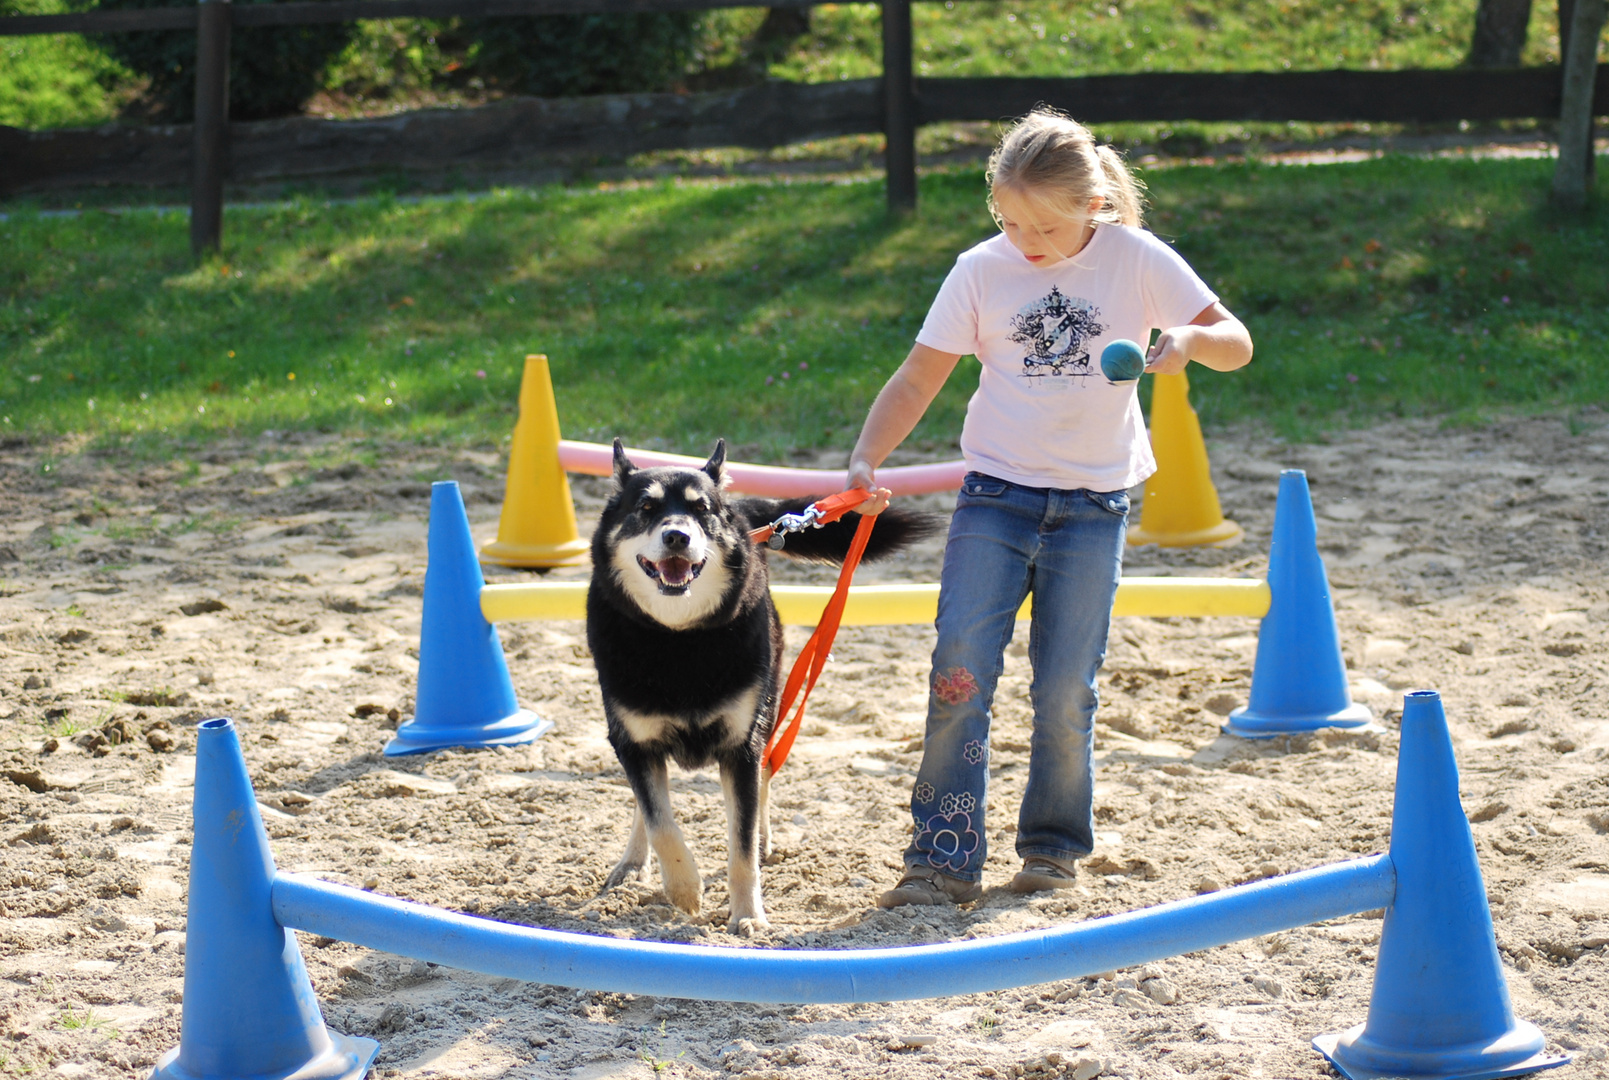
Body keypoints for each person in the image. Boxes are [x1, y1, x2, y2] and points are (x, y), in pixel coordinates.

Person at [848, 108, 1253, 907]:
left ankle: (1052, 851)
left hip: (1093, 507)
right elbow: (918, 375)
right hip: (994, 498)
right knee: (958, 671)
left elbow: (1234, 339)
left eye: (1042, 224)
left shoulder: (1136, 260)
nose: (1023, 240)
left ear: (1092, 206)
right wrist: (868, 455)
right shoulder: (978, 269)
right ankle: (940, 856)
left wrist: (1187, 343)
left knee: (1065, 687)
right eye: (1007, 219)